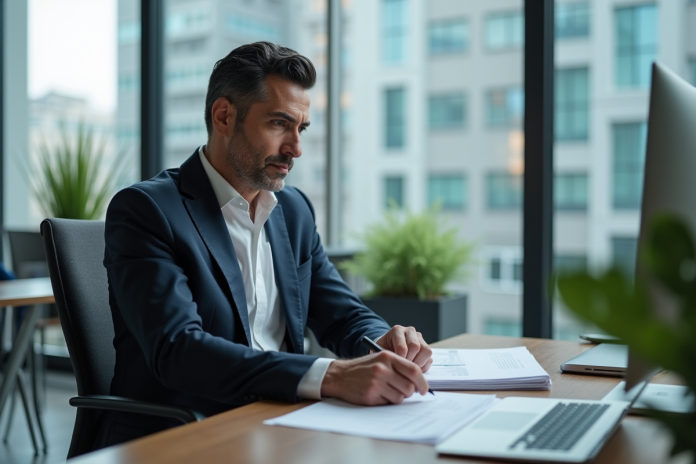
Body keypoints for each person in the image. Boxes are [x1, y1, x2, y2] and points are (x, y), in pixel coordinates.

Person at [101, 41, 433, 448]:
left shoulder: (293, 211)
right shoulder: (147, 210)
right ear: (224, 116)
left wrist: (385, 341)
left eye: (301, 128)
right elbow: (179, 350)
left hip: (282, 423)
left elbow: (341, 315)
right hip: (186, 435)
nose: (295, 148)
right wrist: (331, 375)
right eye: (279, 124)